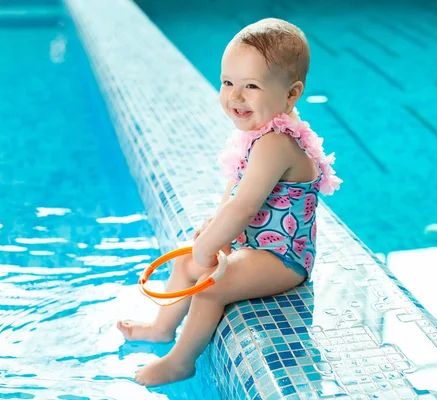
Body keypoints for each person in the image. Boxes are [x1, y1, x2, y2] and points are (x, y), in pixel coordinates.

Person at [117, 17, 342, 386]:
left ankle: (180, 361)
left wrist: (211, 244)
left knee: (209, 286)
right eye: (227, 83)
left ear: (290, 94)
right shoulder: (259, 133)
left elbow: (245, 207)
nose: (235, 97)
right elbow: (235, 191)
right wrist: (211, 232)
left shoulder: (276, 144)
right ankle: (161, 327)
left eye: (251, 86)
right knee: (187, 261)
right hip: (252, 245)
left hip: (283, 258)